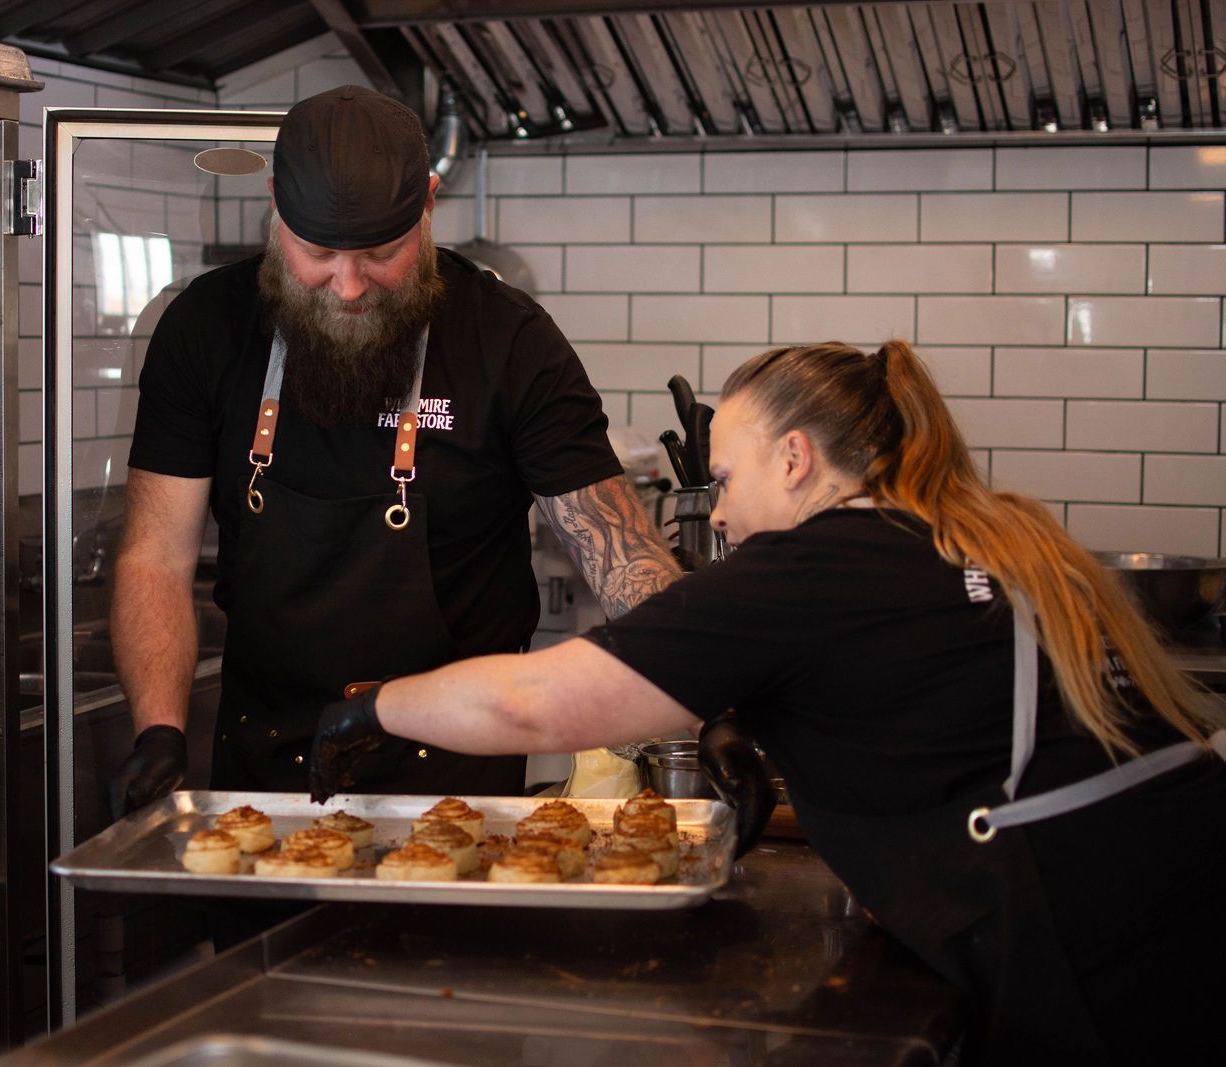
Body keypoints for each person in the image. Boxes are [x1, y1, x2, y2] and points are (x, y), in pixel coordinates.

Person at [310, 340, 1226, 1063]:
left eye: (728, 479)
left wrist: (374, 705)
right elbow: (915, 704)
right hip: (1180, 894)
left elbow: (539, 704)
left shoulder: (815, 565)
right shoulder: (958, 530)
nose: (716, 512)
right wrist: (752, 719)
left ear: (794, 459)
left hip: (1097, 954)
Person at [108, 85, 680, 815]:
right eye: (317, 252)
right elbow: (155, 554)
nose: (348, 287)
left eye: (382, 252)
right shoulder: (204, 329)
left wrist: (708, 694)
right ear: (277, 203)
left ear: (430, 203)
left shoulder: (509, 342)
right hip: (263, 776)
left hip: (458, 781)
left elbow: (619, 552)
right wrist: (159, 728)